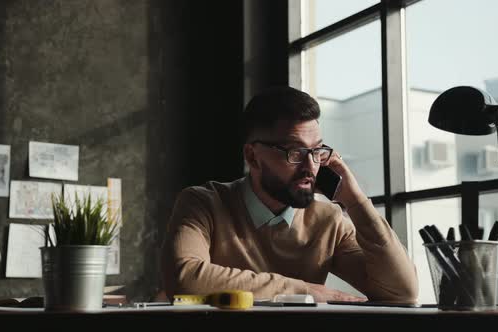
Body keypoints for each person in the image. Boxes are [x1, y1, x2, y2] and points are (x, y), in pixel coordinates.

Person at [160, 86, 418, 303]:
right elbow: (185, 278)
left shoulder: (329, 219)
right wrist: (306, 291)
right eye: (295, 152)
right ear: (253, 156)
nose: (311, 167)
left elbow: (402, 292)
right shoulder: (203, 203)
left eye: (317, 151)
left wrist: (356, 201)